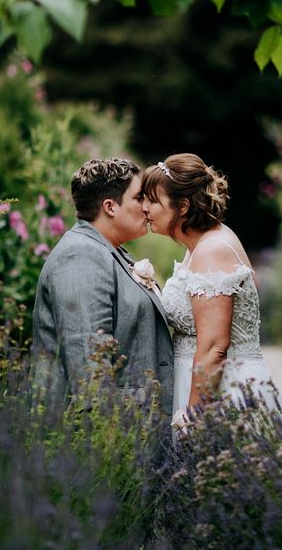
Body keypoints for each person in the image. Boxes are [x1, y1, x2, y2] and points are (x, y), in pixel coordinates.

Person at [140, 153, 281, 426]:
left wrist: (194, 419)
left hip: (223, 394)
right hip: (201, 387)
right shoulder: (201, 244)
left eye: (152, 200)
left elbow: (215, 347)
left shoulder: (212, 250)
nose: (144, 208)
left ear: (182, 206)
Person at [31, 158, 174, 415]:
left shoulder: (107, 251)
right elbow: (90, 372)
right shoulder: (80, 257)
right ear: (110, 207)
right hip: (106, 438)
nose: (146, 207)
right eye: (138, 197)